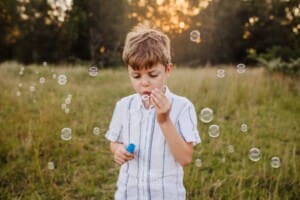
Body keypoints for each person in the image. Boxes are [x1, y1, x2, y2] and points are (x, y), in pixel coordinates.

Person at [105, 24, 201, 200]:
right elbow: (114, 142)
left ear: (167, 70)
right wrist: (118, 150)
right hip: (129, 194)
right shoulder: (124, 106)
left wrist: (164, 120)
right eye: (136, 76)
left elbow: (185, 158)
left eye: (153, 74)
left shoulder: (182, 107)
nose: (144, 83)